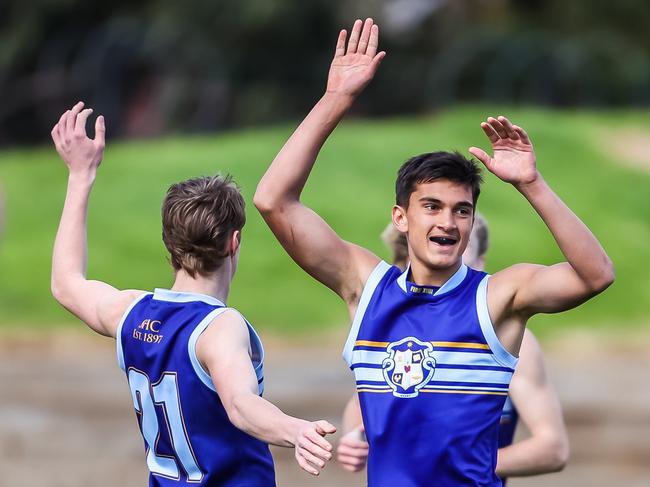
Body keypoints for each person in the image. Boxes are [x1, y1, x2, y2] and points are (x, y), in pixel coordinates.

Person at [254, 17, 613, 486]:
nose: (447, 222)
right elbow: (273, 200)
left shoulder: (498, 298)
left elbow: (595, 274)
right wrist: (337, 97)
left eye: (462, 211)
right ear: (401, 219)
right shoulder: (366, 287)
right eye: (432, 207)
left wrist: (532, 183)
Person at [50, 102, 336, 485]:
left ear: (169, 242)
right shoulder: (220, 327)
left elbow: (66, 283)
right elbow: (240, 404)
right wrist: (294, 429)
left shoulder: (130, 313)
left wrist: (80, 175)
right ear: (234, 242)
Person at [337, 216, 570, 483]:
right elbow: (359, 405)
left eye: (462, 248)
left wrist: (457, 462)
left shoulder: (519, 345)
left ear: (481, 264)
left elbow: (553, 450)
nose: (449, 260)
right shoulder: (399, 334)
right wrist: (354, 437)